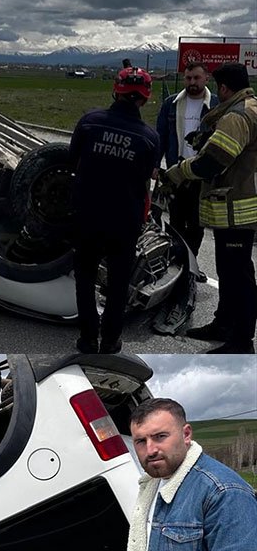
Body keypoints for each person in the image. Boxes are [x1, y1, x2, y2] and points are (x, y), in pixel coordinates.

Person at [123, 398, 257, 551]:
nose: (150, 449)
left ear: (186, 434)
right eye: (141, 441)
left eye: (160, 436)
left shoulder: (223, 492)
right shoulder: (153, 486)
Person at [161, 62, 257, 353]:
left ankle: (240, 341)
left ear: (224, 87)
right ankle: (224, 323)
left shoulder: (236, 116)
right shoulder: (252, 106)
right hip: (240, 205)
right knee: (229, 273)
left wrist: (179, 171)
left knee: (238, 276)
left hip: (236, 208)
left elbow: (212, 162)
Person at [69, 66, 162, 354]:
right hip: (125, 221)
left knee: (84, 278)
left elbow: (71, 162)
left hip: (87, 216)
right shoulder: (150, 137)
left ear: (115, 89)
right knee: (119, 284)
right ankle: (110, 341)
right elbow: (149, 174)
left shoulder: (89, 123)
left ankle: (87, 339)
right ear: (145, 98)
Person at [155, 62, 218, 255]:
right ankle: (176, 263)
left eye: (196, 78)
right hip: (177, 174)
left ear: (206, 78)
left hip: (202, 176)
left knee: (197, 224)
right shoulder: (171, 104)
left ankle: (192, 265)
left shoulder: (216, 105)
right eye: (188, 78)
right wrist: (155, 165)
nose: (192, 82)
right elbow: (161, 136)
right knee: (175, 221)